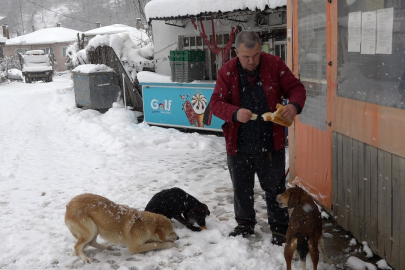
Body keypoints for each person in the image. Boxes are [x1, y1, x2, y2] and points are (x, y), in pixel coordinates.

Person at [209, 31, 306, 245]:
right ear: (236, 52)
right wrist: (234, 113)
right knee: (241, 188)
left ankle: (280, 229)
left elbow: (296, 88)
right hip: (239, 143)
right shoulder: (227, 71)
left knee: (275, 189)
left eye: (255, 55)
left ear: (261, 50)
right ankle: (244, 224)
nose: (251, 61)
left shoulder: (275, 64)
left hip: (271, 142)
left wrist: (293, 105)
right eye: (246, 57)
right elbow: (215, 103)